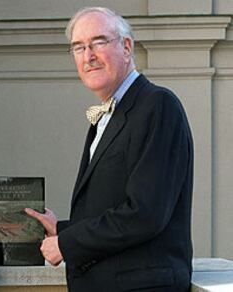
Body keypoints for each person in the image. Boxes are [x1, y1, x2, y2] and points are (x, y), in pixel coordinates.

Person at [26, 7, 194, 292]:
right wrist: (62, 229)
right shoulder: (109, 115)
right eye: (78, 47)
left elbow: (145, 213)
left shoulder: (157, 105)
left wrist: (67, 243)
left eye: (99, 42)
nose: (88, 56)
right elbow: (112, 204)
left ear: (126, 47)